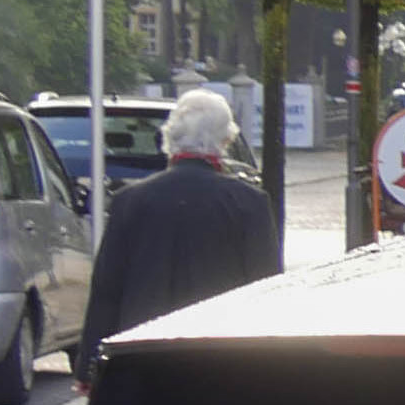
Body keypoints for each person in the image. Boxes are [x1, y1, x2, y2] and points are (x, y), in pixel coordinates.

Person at [76, 88, 279, 382]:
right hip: (223, 360)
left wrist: (88, 368)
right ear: (225, 140)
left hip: (142, 357)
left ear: (169, 137)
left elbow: (107, 291)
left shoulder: (129, 201)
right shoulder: (249, 203)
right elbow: (265, 291)